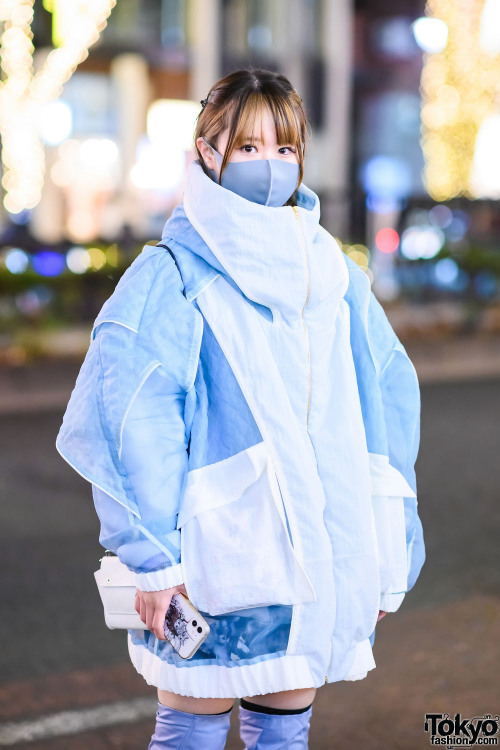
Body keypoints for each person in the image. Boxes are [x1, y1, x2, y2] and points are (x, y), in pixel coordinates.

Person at [56, 68, 425, 750]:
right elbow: (134, 419)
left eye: (285, 149)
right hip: (207, 564)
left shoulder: (332, 273)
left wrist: (385, 548)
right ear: (205, 151)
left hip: (314, 556)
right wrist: (156, 561)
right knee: (190, 731)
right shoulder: (173, 273)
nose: (270, 165)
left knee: (283, 735)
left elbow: (386, 405)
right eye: (248, 147)